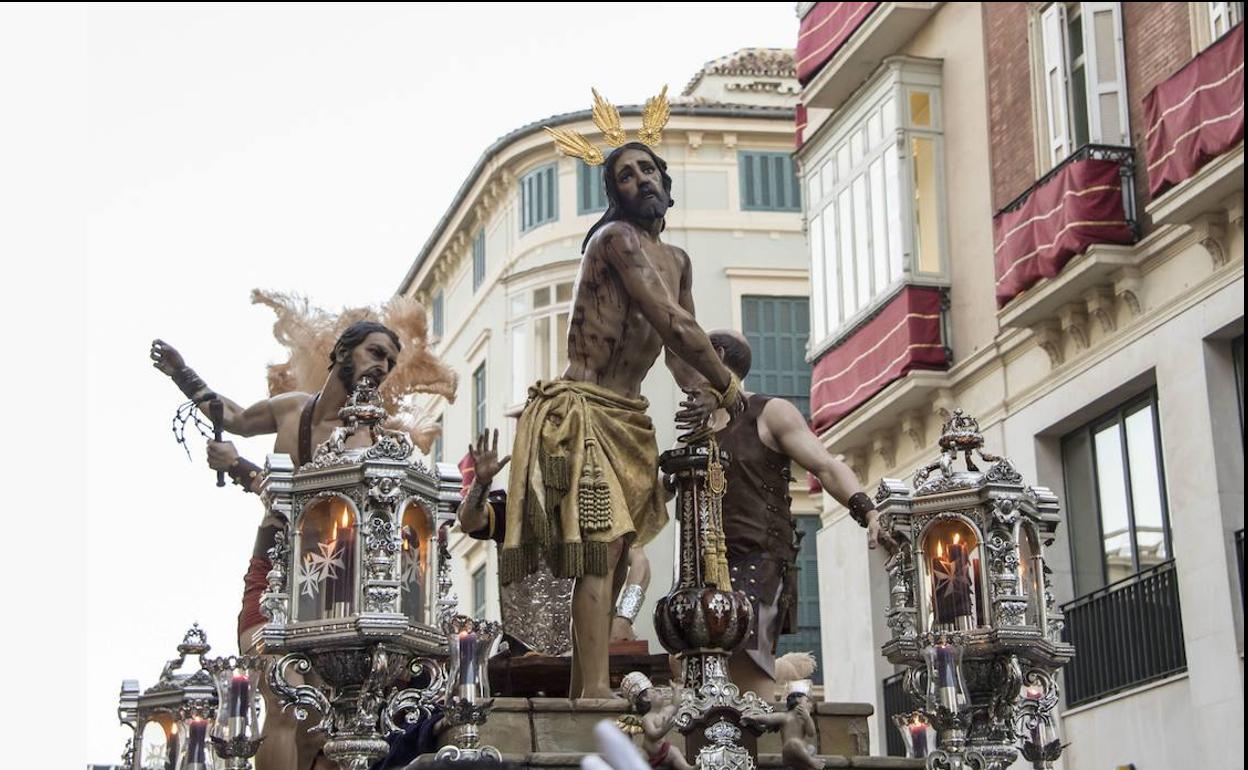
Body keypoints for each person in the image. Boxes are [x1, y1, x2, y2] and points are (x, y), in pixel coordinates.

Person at [502, 138, 745, 699]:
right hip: (583, 408)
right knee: (602, 548)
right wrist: (730, 387)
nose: (642, 180)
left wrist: (705, 393)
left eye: (648, 170)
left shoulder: (678, 260)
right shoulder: (616, 240)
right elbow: (669, 320)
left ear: (665, 178)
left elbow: (681, 348)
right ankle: (591, 693)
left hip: (629, 415)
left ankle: (586, 685)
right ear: (616, 194)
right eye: (627, 176)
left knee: (615, 561)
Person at [150, 319, 402, 770]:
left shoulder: (368, 440)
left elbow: (317, 505)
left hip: (329, 583)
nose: (383, 366)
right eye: (376, 352)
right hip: (270, 571)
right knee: (278, 692)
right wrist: (182, 373)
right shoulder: (292, 410)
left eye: (389, 361)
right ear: (343, 351)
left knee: (314, 721)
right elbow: (236, 418)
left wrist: (242, 468)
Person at [702, 330, 897, 702]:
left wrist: (867, 510)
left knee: (747, 671)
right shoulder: (697, 430)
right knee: (696, 668)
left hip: (758, 560)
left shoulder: (769, 412)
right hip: (706, 567)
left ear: (717, 354)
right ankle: (777, 677)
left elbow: (824, 466)